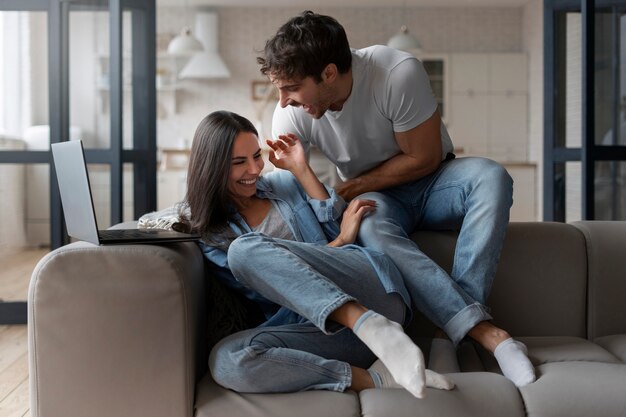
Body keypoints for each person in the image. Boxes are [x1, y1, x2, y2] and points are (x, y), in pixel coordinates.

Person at [258, 11, 535, 387]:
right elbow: (292, 191)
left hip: (437, 180)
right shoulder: (292, 113)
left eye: (290, 87)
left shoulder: (396, 73)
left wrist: (349, 188)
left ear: (328, 73)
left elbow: (424, 158)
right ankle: (487, 334)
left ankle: (446, 335)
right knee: (369, 224)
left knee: (492, 176)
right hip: (377, 197)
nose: (284, 101)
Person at [182, 110, 455, 397]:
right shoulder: (211, 234)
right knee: (227, 360)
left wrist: (301, 168)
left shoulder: (286, 184)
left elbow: (341, 225)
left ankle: (371, 324)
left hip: (370, 293)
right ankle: (377, 378)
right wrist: (338, 242)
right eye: (240, 162)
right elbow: (271, 289)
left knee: (243, 249)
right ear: (211, 168)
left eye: (257, 156)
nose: (254, 169)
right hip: (323, 330)